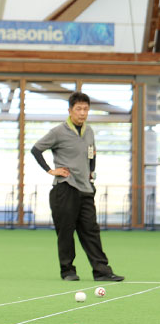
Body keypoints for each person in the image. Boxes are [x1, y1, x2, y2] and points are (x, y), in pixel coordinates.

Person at [31, 92, 124, 282]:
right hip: (65, 188)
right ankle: (68, 271)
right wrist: (51, 170)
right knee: (66, 231)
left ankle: (102, 272)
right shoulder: (59, 131)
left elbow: (92, 154)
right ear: (70, 110)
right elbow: (36, 149)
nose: (82, 113)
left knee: (91, 230)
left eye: (86, 109)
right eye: (78, 109)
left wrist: (91, 173)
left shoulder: (89, 132)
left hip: (85, 189)